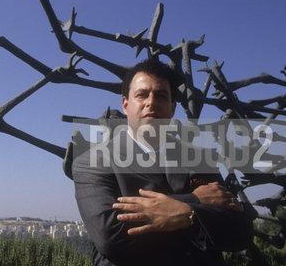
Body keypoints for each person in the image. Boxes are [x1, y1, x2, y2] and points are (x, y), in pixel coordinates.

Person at [70, 59, 256, 266]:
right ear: (125, 104)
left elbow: (241, 231)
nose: (151, 102)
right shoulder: (93, 161)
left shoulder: (201, 159)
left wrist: (188, 215)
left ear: (172, 107)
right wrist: (194, 202)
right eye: (142, 95)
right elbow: (112, 237)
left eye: (161, 95)